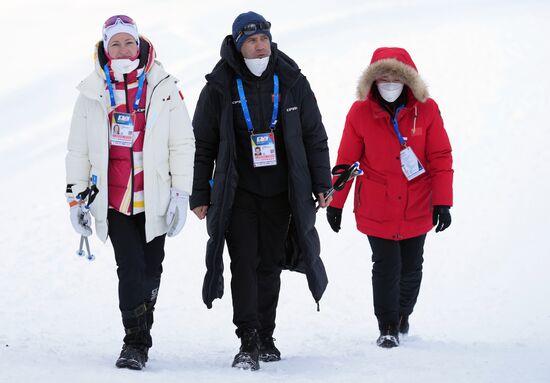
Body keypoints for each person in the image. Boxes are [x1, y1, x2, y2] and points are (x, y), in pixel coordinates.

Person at [190, 11, 332, 370]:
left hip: (281, 192)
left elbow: (314, 136)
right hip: (238, 193)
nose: (259, 46)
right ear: (238, 45)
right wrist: (199, 194)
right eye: (251, 40)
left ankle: (267, 335)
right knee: (243, 264)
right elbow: (203, 144)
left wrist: (322, 183)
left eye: (263, 39)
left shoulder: (291, 80)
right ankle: (248, 337)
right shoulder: (220, 85)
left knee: (269, 264)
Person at [65, 15, 195, 369]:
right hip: (115, 200)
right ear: (106, 49)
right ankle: (134, 342)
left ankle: (142, 331)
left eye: (129, 43)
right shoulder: (92, 91)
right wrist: (76, 198)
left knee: (153, 269)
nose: (124, 49)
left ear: (140, 46)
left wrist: (182, 194)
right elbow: (78, 150)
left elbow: (182, 143)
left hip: (155, 197)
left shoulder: (163, 85)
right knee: (131, 269)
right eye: (116, 44)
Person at [326, 47, 453, 348]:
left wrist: (443, 202)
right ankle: (387, 326)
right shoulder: (359, 112)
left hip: (417, 202)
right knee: (386, 264)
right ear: (373, 81)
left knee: (411, 265)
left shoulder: (428, 110)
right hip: (375, 203)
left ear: (408, 80)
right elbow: (346, 161)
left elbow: (440, 156)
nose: (390, 84)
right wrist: (336, 204)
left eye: (397, 77)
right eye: (383, 78)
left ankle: (402, 315)